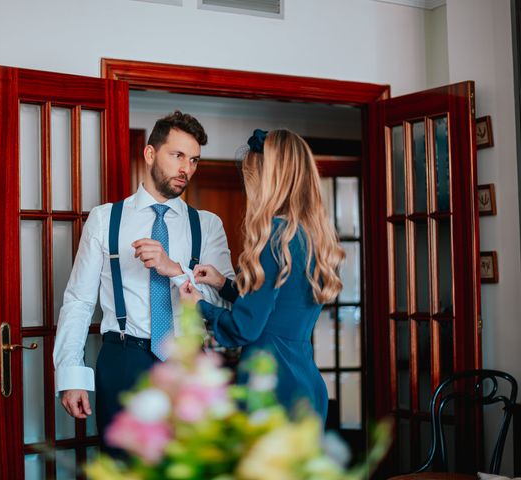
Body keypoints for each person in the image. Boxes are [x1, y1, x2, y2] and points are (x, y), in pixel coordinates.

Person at [53, 111, 234, 452]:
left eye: (193, 160)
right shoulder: (105, 219)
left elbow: (225, 301)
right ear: (150, 154)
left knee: (187, 468)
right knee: (123, 468)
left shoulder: (207, 225)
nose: (186, 169)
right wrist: (71, 375)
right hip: (123, 359)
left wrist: (175, 268)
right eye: (177, 155)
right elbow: (78, 300)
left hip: (188, 360)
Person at [180, 128, 345, 424]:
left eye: (251, 180)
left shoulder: (276, 238)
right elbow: (277, 305)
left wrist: (199, 308)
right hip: (305, 383)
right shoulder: (314, 237)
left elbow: (245, 328)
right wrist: (222, 284)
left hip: (271, 387)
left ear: (269, 182)